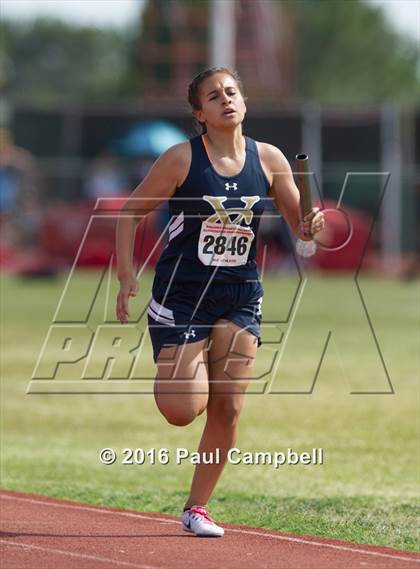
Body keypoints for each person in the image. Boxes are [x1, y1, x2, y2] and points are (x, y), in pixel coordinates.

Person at [115, 67, 325, 538]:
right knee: (183, 410)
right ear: (200, 113)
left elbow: (301, 224)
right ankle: (181, 365)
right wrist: (127, 274)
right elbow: (130, 212)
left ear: (244, 102)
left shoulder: (269, 159)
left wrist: (314, 224)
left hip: (239, 294)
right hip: (183, 294)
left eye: (232, 92)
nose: (226, 99)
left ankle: (197, 508)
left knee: (228, 408)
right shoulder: (180, 159)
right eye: (214, 96)